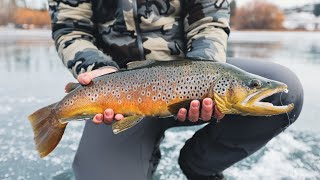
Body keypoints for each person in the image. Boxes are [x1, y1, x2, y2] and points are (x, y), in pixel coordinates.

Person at [48, 0, 304, 179]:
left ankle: (199, 165)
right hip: (117, 81)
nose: (258, 88)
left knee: (285, 90)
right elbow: (71, 27)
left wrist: (204, 66)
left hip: (193, 67)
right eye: (254, 86)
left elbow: (209, 19)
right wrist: (98, 68)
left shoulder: (215, 81)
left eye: (253, 86)